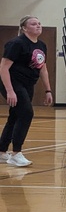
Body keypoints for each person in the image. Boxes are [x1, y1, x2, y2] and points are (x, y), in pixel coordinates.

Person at [0, 16, 53, 167]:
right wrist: (10, 91)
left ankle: (2, 151)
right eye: (33, 23)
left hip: (28, 84)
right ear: (24, 28)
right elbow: (3, 68)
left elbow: (42, 67)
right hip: (12, 82)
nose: (38, 26)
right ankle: (16, 153)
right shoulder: (16, 43)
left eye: (39, 23)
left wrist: (48, 90)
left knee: (15, 115)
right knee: (26, 113)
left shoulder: (42, 45)